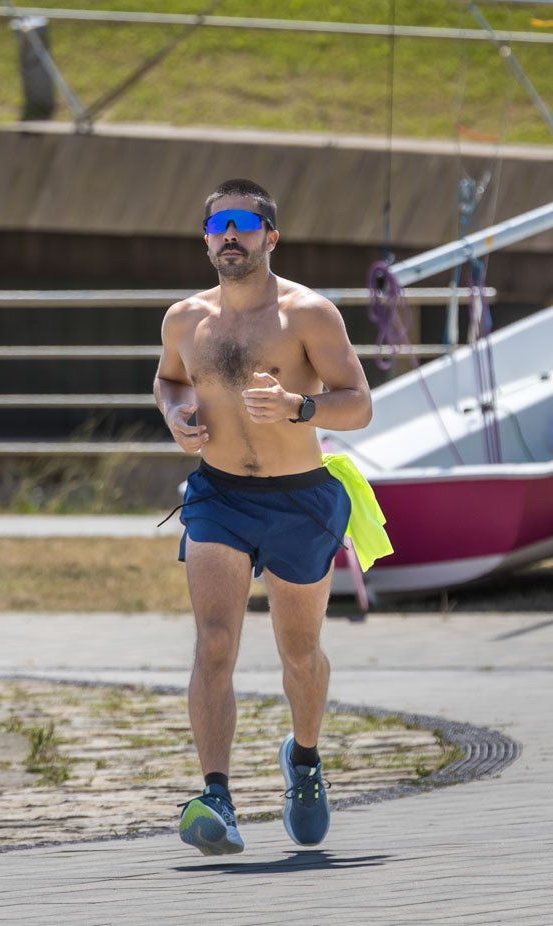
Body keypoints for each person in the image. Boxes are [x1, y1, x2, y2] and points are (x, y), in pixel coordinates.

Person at [154, 178, 373, 855]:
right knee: (214, 641)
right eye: (217, 224)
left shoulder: (308, 315)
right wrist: (174, 414)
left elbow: (358, 403)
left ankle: (303, 761)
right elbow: (167, 378)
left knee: (298, 653)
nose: (229, 235)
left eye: (244, 224)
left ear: (269, 237)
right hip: (218, 496)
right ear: (205, 238)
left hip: (300, 499)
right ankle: (215, 795)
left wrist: (299, 408)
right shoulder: (184, 319)